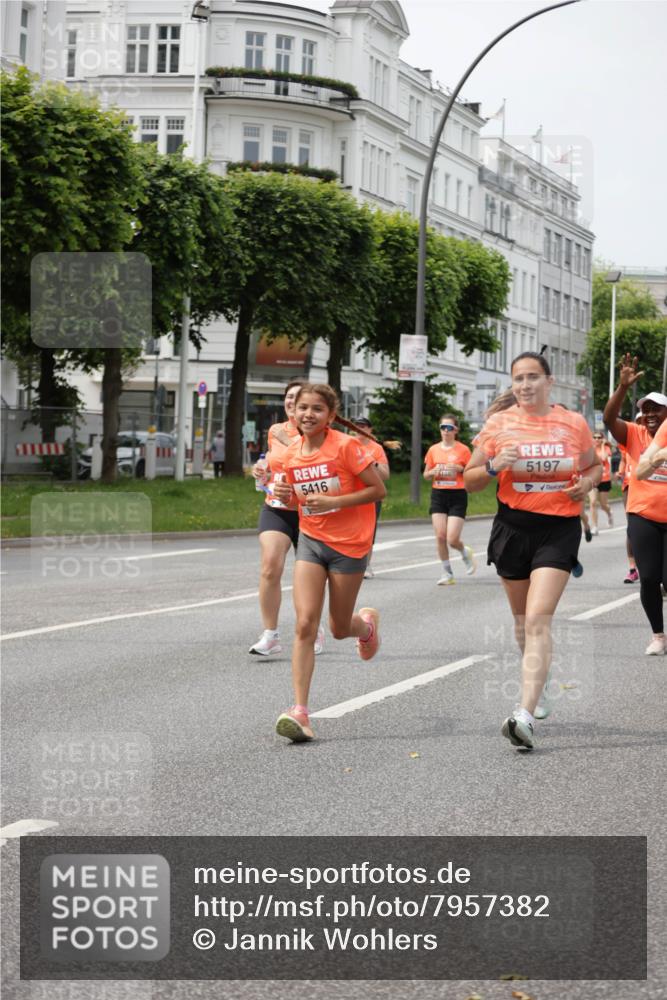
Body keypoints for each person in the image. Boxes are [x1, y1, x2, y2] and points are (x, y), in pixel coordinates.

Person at [464, 352, 601, 749]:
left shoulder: (573, 424)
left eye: (532, 378)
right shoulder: (498, 425)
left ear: (549, 382)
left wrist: (587, 485)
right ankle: (538, 686)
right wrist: (492, 466)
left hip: (557, 529)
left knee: (539, 618)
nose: (524, 385)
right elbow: (469, 480)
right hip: (512, 528)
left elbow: (594, 468)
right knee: (524, 622)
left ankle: (523, 715)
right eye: (518, 379)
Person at [271, 383, 386, 743]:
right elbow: (301, 503)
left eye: (316, 409)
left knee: (338, 627)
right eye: (302, 408)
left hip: (350, 545)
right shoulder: (291, 455)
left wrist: (335, 502)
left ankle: (364, 627)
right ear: (294, 413)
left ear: (330, 415)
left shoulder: (346, 446)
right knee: (305, 624)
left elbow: (378, 490)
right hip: (311, 541)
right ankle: (300, 711)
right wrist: (288, 497)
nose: (308, 414)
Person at [249, 380, 325, 657]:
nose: (292, 402)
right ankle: (270, 634)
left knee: (308, 578)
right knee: (270, 566)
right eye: (288, 398)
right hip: (277, 507)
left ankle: (312, 627)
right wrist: (262, 470)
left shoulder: (319, 433)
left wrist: (290, 441)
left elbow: (313, 458)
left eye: (298, 398)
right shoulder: (276, 430)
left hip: (309, 512)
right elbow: (274, 461)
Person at [604, 358, 667, 654]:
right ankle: (658, 636)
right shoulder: (633, 434)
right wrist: (623, 387)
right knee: (650, 577)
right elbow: (608, 419)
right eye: (646, 409)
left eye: (657, 409)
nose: (650, 414)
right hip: (642, 514)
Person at [424, 414, 476, 585]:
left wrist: (460, 468)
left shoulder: (463, 450)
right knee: (440, 536)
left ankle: (464, 552)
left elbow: (472, 472)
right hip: (438, 494)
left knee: (451, 539)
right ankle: (448, 574)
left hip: (457, 494)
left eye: (449, 428)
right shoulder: (433, 450)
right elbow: (426, 474)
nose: (446, 431)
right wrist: (432, 473)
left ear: (456, 430)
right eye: (443, 428)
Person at [349, 416, 390, 579]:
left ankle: (366, 565)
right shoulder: (346, 445)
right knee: (350, 528)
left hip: (371, 494)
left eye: (363, 427)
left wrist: (373, 463)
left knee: (368, 530)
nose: (358, 430)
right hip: (351, 493)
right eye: (355, 426)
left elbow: (386, 475)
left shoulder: (376, 448)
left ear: (369, 430)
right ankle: (350, 563)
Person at [588, 432, 614, 534]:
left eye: (599, 438)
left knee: (603, 504)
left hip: (604, 479)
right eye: (594, 437)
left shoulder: (606, 448)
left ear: (602, 439)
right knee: (593, 502)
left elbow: (603, 458)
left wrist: (603, 445)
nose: (597, 439)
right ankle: (594, 527)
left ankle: (609, 513)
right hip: (593, 479)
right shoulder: (590, 449)